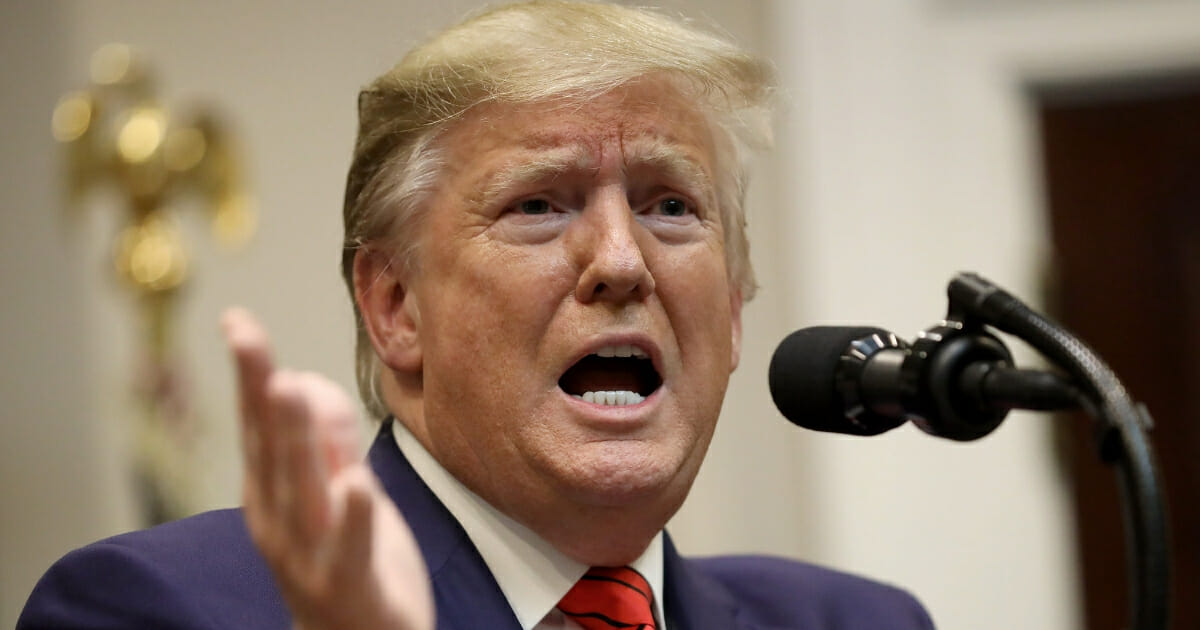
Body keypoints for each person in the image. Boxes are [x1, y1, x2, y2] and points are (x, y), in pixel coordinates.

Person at [19, 2, 936, 628]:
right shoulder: (155, 608)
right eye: (540, 205)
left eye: (670, 206)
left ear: (734, 312)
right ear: (394, 306)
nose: (622, 261)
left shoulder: (860, 621)